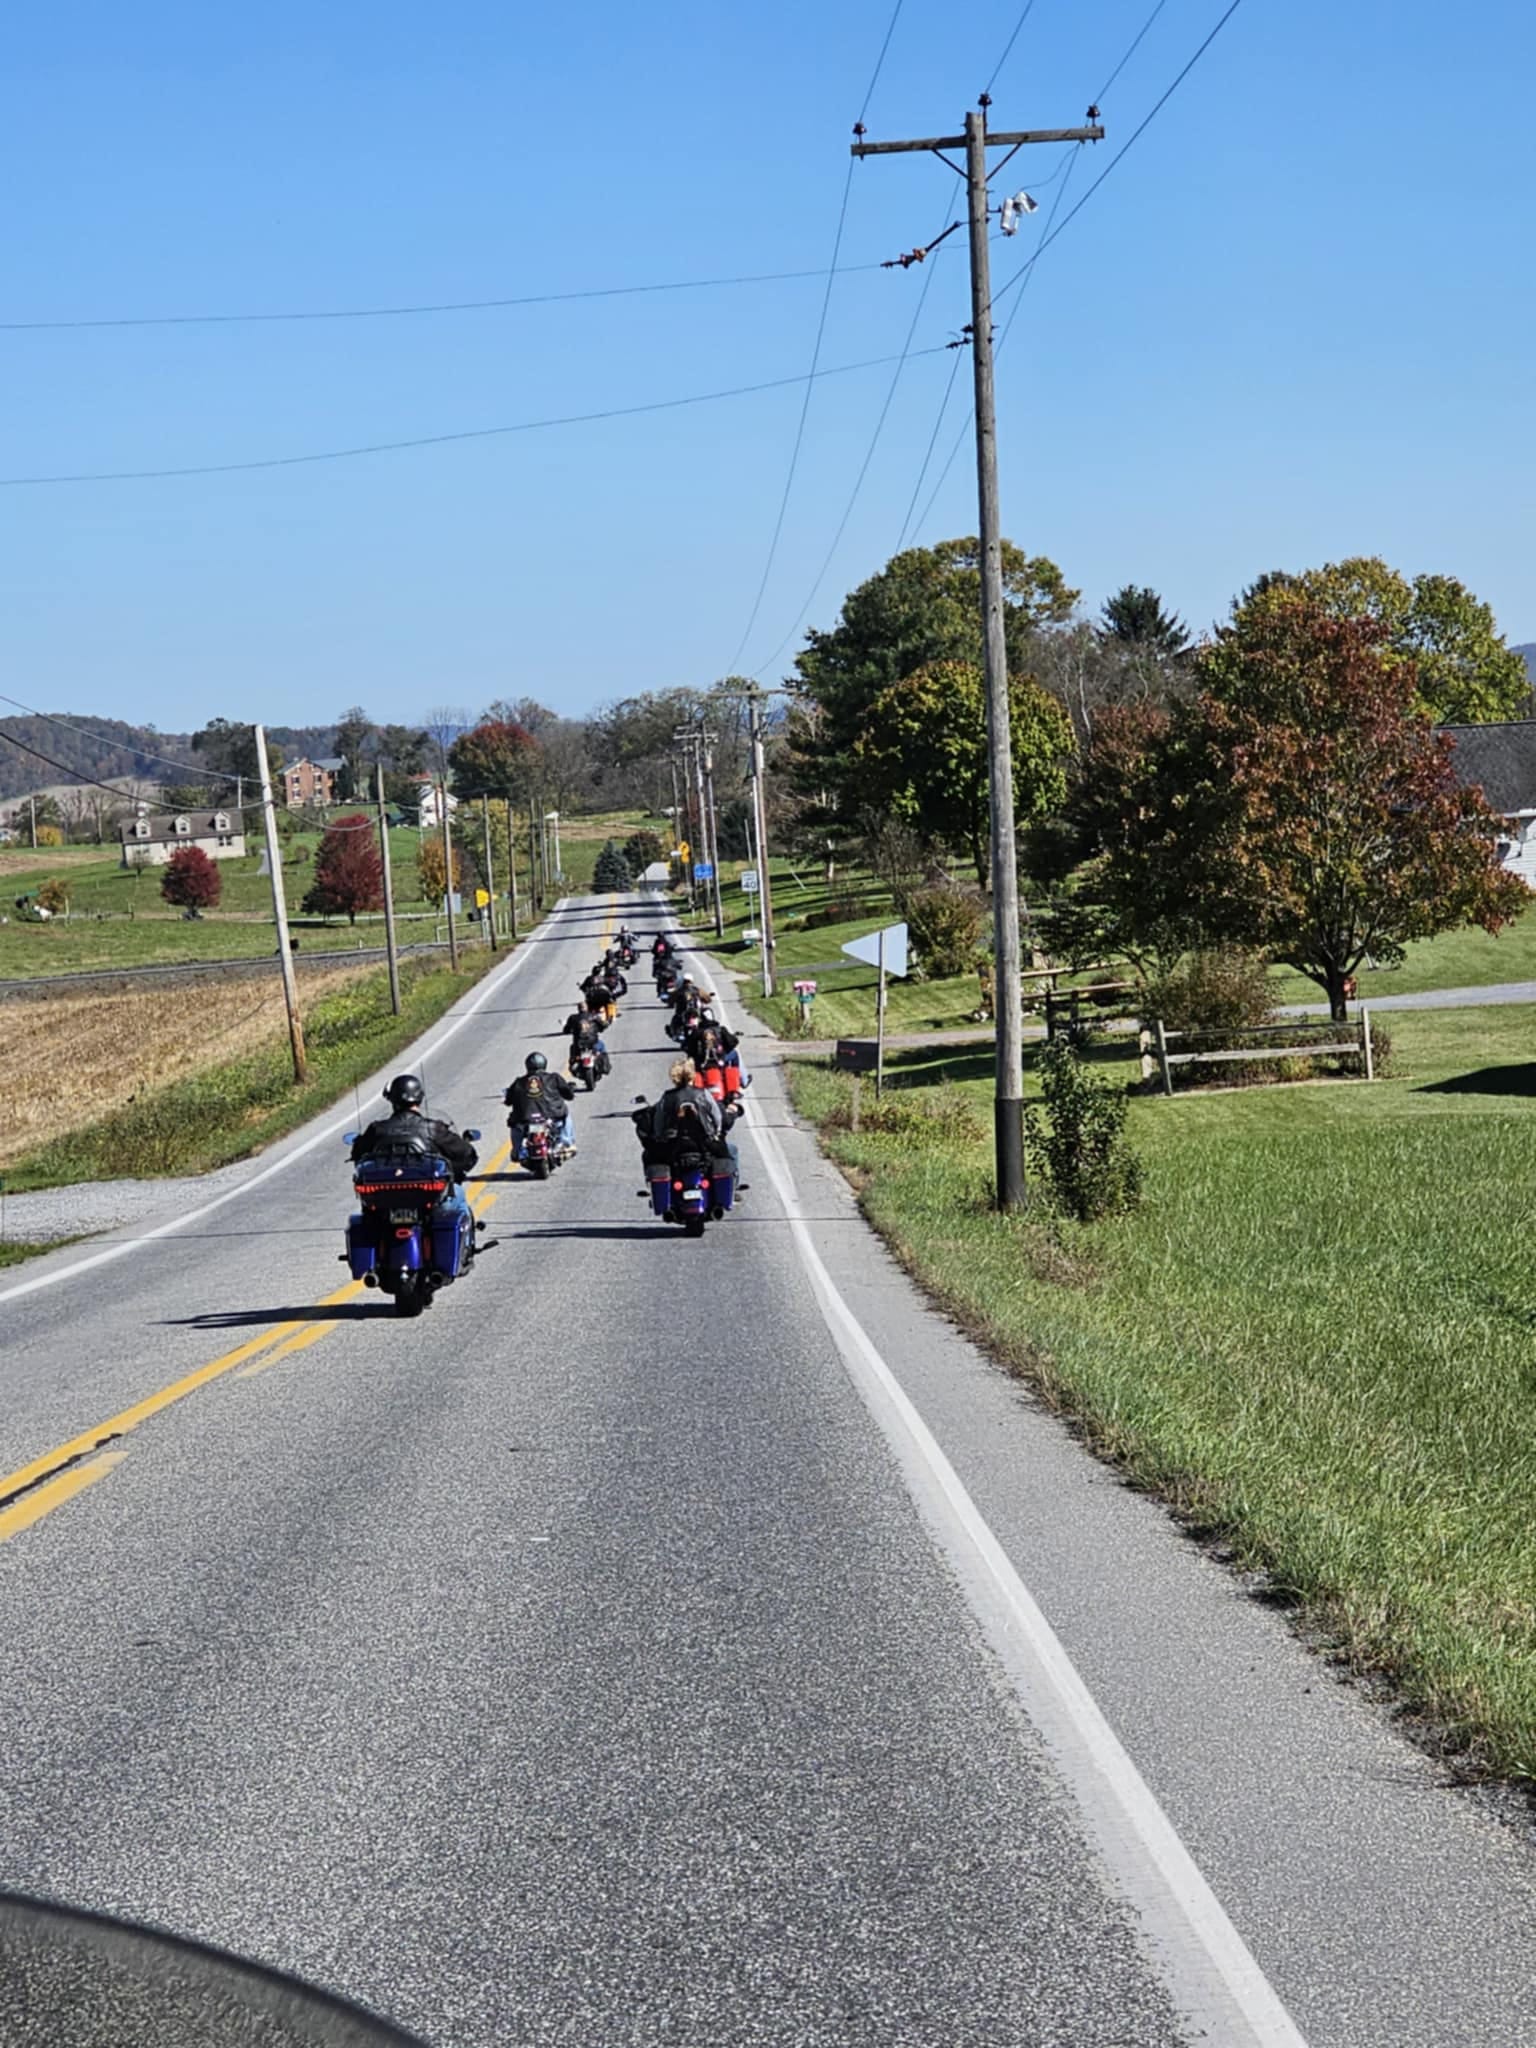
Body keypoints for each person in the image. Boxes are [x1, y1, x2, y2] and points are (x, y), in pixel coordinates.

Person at [351, 1074, 477, 1234]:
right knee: (458, 1196)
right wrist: (457, 1170)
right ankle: (467, 1250)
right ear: (419, 1098)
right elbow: (467, 1154)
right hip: (429, 1201)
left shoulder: (377, 1130)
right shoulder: (433, 1129)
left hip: (383, 1202)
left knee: (368, 1216)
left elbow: (358, 1155)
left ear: (392, 1099)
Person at [643, 1058, 742, 1184]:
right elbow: (717, 1117)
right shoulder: (703, 1094)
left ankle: (652, 1186)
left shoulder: (667, 1097)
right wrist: (716, 1133)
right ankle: (733, 1186)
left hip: (674, 1145)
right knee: (731, 1152)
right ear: (693, 1074)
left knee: (649, 1155)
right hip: (704, 1144)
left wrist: (660, 1137)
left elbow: (658, 1123)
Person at [505, 1051, 577, 1156]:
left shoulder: (519, 1082)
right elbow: (568, 1095)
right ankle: (567, 1142)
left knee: (515, 1124)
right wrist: (570, 1091)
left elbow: (508, 1100)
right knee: (565, 1114)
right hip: (552, 1117)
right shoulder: (554, 1078)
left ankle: (516, 1149)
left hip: (526, 1119)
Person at [562, 1000, 611, 1078]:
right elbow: (603, 1025)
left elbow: (566, 1030)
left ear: (578, 1009)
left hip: (578, 1046)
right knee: (602, 1046)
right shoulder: (594, 1016)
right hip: (593, 1044)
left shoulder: (573, 1018)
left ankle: (573, 1064)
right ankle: (605, 1066)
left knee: (572, 1050)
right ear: (587, 1008)